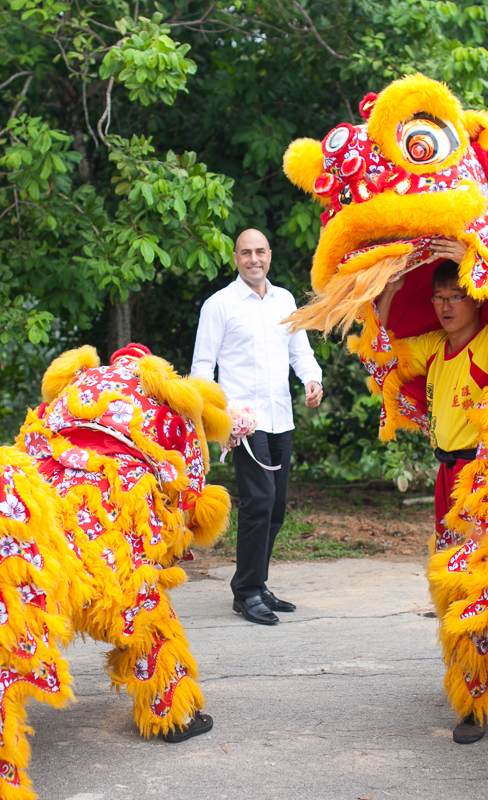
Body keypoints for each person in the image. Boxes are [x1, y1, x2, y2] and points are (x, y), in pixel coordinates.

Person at [375, 239, 488, 745]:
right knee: (455, 587)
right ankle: (479, 684)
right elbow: (380, 353)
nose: (446, 306)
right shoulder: (435, 348)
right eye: (439, 297)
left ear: (476, 296)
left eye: (456, 294)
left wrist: (472, 258)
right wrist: (389, 289)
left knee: (484, 585)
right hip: (446, 482)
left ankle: (480, 695)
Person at [191, 229, 324, 626]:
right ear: (235, 257)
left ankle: (258, 583)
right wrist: (221, 415)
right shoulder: (219, 305)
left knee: (277, 507)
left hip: (280, 416)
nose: (254, 259)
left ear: (269, 255)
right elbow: (202, 368)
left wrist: (312, 380)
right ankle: (246, 592)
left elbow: (300, 350)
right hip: (244, 423)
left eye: (260, 251)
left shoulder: (283, 300)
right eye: (246, 252)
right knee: (259, 502)